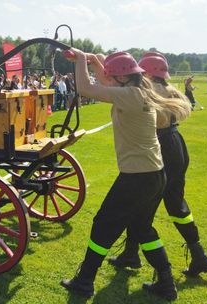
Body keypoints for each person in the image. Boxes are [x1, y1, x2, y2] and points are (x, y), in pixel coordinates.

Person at [60, 49, 190, 301]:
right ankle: (166, 282)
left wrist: (78, 60)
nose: (109, 79)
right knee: (142, 228)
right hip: (154, 174)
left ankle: (85, 280)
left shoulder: (129, 95)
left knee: (103, 224)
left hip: (137, 177)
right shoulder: (140, 89)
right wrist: (96, 61)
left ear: (122, 78)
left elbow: (86, 88)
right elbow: (108, 81)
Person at [107, 52, 207, 277]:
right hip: (176, 143)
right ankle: (198, 254)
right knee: (175, 204)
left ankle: (137, 256)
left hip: (161, 145)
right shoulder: (171, 89)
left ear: (145, 72)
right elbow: (187, 108)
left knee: (141, 204)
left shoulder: (147, 90)